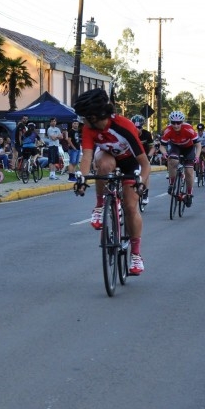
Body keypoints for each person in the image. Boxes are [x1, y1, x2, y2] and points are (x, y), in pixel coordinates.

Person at [72, 88, 151, 276]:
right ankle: (100, 206)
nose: (83, 121)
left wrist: (141, 182)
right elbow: (87, 156)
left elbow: (145, 164)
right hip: (109, 156)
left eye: (85, 117)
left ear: (95, 116)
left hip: (130, 161)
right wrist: (82, 179)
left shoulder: (124, 127)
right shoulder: (89, 128)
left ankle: (136, 254)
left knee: (131, 207)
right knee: (103, 164)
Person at [159, 111, 201, 207]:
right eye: (173, 122)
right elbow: (162, 146)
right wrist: (164, 153)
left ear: (182, 122)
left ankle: (189, 194)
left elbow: (198, 145)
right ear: (171, 122)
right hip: (175, 146)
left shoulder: (188, 129)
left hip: (189, 148)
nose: (176, 125)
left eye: (178, 123)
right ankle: (172, 183)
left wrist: (197, 157)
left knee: (189, 171)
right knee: (172, 160)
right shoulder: (168, 130)